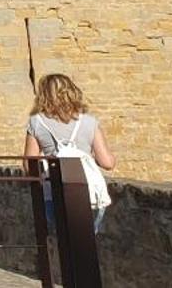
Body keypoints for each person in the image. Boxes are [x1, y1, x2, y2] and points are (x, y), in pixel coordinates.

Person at [24, 73, 116, 233]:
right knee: (86, 241)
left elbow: (29, 165)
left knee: (61, 239)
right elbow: (107, 163)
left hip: (54, 192)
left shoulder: (36, 123)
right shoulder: (89, 122)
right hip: (87, 193)